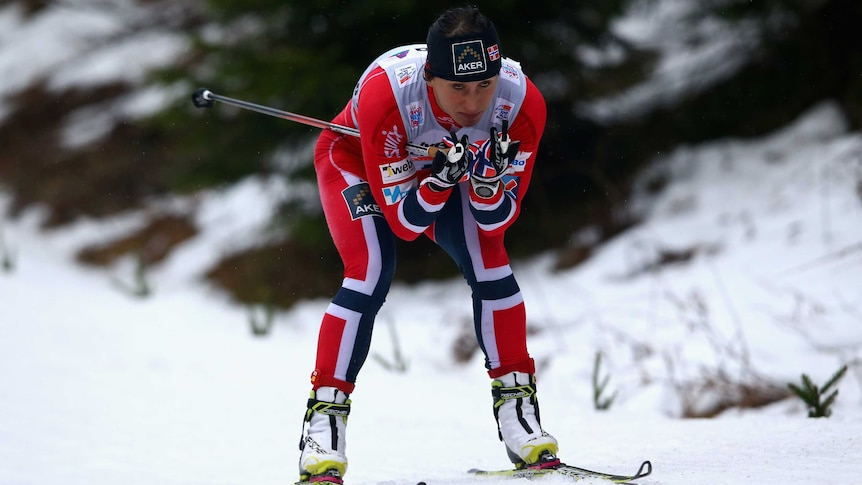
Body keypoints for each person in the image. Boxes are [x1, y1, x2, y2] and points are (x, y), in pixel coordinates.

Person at [298, 6, 558, 484]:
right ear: (430, 76)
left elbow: (499, 219)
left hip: (443, 172)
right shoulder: (389, 97)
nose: (473, 103)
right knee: (371, 270)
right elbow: (403, 222)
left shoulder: (522, 105)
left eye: (484, 85)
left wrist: (483, 183)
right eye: (458, 87)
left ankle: (520, 417)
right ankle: (322, 428)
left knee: (491, 262)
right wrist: (441, 182)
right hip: (356, 158)